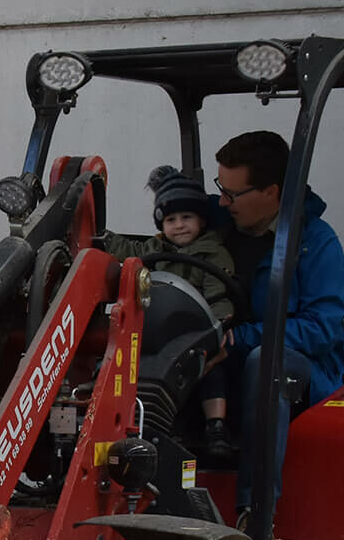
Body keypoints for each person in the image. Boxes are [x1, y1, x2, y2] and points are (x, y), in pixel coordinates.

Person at [213, 130, 344, 521]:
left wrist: (239, 338)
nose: (222, 201)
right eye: (219, 188)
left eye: (232, 194)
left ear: (272, 192)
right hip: (226, 357)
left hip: (305, 374)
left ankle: (254, 513)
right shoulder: (217, 225)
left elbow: (321, 328)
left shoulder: (316, 245)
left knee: (265, 362)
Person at [101, 167, 240, 461]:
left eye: (186, 218)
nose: (179, 225)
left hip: (196, 334)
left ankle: (216, 426)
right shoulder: (153, 249)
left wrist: (219, 324)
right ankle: (155, 429)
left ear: (201, 220)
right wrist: (98, 233)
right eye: (171, 219)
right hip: (156, 336)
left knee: (213, 372)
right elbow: (124, 249)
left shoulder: (213, 253)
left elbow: (219, 294)